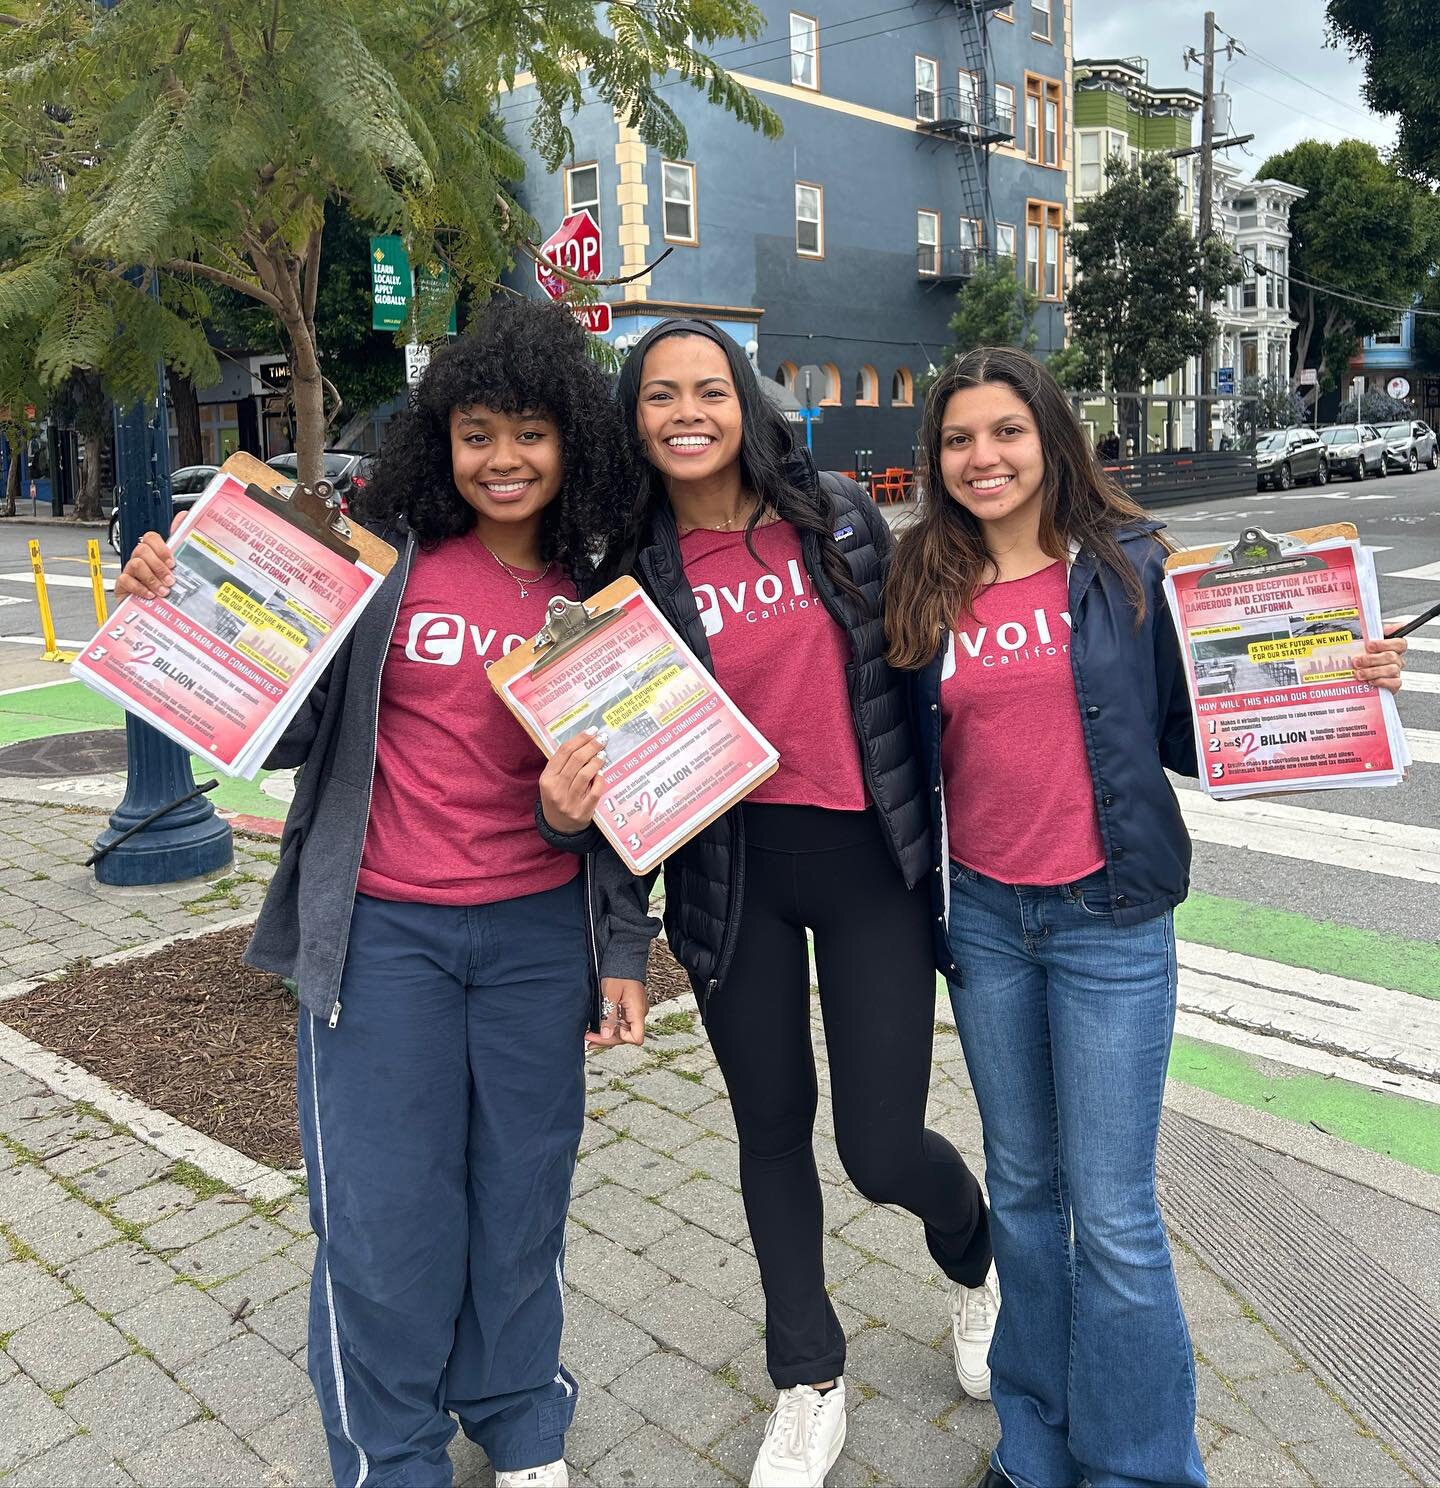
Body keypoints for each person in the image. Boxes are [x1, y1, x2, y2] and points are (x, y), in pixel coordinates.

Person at [115, 298, 654, 1488]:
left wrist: (620, 938)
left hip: (532, 937)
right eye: (476, 433)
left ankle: (520, 1420)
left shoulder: (599, 582)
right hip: (382, 937)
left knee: (520, 1199)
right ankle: (390, 1452)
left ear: (571, 440)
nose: (503, 460)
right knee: (381, 1219)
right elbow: (294, 722)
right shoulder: (386, 558)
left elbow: (625, 799)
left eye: (529, 433)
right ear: (439, 442)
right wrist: (180, 603)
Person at [884, 345, 1409, 1488]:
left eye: (1006, 432)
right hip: (983, 925)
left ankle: (1139, 1470)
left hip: (1108, 925)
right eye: (960, 438)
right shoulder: (922, 577)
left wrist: (1330, 676)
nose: (984, 457)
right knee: (1022, 1195)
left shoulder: (1128, 564)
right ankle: (1035, 1447)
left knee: (1114, 1216)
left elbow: (1194, 725)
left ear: (1051, 438)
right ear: (936, 458)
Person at [602, 318, 995, 1488]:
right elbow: (612, 750)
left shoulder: (837, 515)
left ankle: (978, 1261)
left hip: (870, 862)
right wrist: (622, 930)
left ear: (746, 401)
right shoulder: (628, 565)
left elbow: (939, 637)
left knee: (878, 1148)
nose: (687, 412)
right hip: (732, 880)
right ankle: (807, 1379)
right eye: (660, 394)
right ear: (635, 418)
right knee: (770, 1129)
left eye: (709, 390)